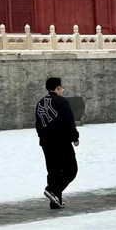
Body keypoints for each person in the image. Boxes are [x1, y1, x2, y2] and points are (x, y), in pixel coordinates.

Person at [35, 77, 80, 209]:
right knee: (71, 170)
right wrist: (75, 137)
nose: (63, 90)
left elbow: (38, 125)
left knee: (53, 171)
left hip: (46, 143)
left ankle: (55, 201)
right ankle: (53, 191)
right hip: (61, 141)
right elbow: (69, 122)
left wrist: (43, 138)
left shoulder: (40, 103)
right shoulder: (62, 102)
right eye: (61, 88)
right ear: (58, 88)